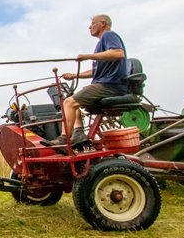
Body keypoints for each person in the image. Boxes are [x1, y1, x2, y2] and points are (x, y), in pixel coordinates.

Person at [42, 14, 127, 149]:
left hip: (110, 86)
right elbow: (95, 71)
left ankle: (64, 140)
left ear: (103, 24)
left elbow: (118, 53)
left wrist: (88, 56)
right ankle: (78, 133)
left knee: (68, 103)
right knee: (71, 99)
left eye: (93, 23)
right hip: (105, 84)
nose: (90, 27)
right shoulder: (101, 43)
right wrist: (74, 75)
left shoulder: (108, 35)